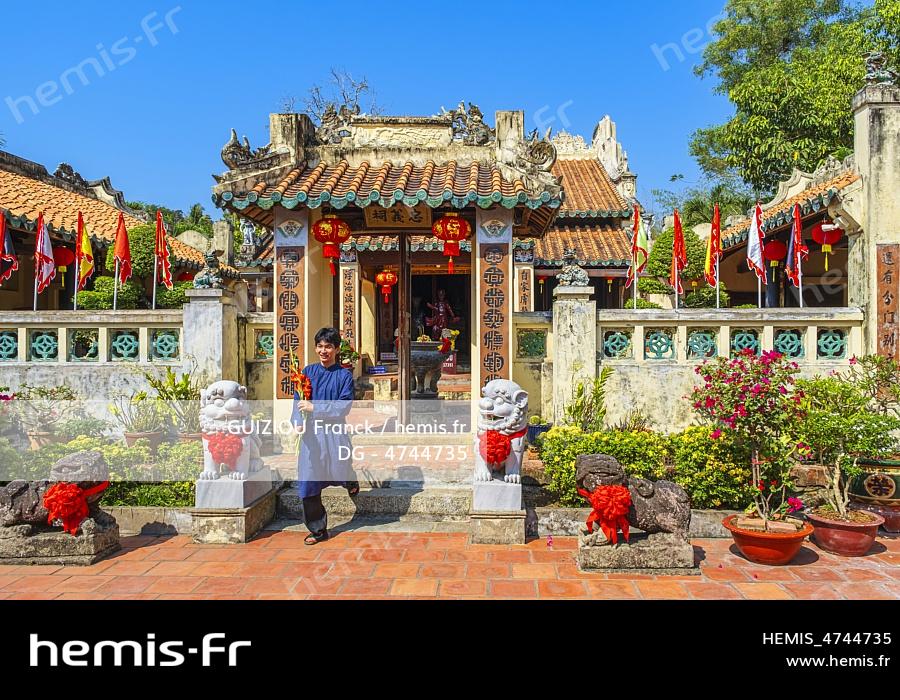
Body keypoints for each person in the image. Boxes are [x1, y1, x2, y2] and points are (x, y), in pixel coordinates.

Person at [291, 327, 359, 544]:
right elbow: (298, 400)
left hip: (334, 433)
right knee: (308, 481)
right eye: (320, 346)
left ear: (336, 349)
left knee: (339, 467)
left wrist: (315, 408)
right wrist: (298, 422)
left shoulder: (344, 376)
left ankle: (349, 479)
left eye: (328, 346)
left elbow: (344, 406)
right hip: (311, 435)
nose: (323, 351)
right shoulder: (307, 372)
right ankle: (318, 529)